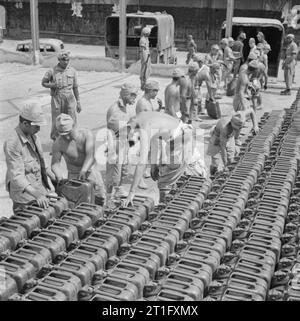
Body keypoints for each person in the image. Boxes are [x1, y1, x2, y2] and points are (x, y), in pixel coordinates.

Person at [123, 112, 208, 206]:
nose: (136, 139)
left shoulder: (143, 127)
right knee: (172, 171)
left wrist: (131, 193)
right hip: (181, 135)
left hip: (181, 140)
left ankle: (167, 208)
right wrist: (153, 165)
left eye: (132, 138)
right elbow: (155, 138)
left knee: (165, 182)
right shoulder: (142, 116)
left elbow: (141, 163)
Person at [3, 102, 54, 213]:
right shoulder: (13, 143)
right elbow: (17, 176)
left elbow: (40, 163)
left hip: (38, 190)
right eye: (36, 126)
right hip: (24, 198)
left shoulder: (33, 136)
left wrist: (54, 178)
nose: (39, 129)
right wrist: (37, 195)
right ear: (25, 123)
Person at [51, 114, 106, 206]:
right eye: (63, 134)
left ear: (74, 126)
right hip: (73, 174)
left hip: (90, 171)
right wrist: (59, 176)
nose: (67, 137)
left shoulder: (86, 134)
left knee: (99, 198)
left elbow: (90, 155)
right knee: (77, 202)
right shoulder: (58, 143)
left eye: (68, 133)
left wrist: (84, 170)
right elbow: (55, 164)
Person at [106, 83, 138, 201]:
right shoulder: (115, 110)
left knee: (123, 170)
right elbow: (118, 131)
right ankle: (108, 198)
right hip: (116, 145)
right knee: (113, 173)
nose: (134, 98)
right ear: (125, 95)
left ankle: (118, 190)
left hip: (123, 144)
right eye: (133, 95)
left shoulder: (124, 107)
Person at [41, 50, 81, 141]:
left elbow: (75, 87)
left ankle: (72, 140)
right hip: (57, 98)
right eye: (63, 60)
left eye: (67, 60)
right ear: (59, 60)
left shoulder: (72, 71)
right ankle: (56, 142)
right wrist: (52, 85)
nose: (66, 62)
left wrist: (78, 102)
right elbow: (43, 83)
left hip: (69, 97)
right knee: (57, 120)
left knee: (71, 118)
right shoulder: (52, 71)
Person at [207, 111, 247, 175]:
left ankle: (229, 175)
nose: (238, 130)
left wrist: (255, 125)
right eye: (236, 128)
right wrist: (225, 164)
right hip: (216, 138)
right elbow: (223, 149)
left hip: (229, 137)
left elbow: (252, 111)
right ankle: (212, 176)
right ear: (231, 123)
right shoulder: (224, 128)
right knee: (215, 164)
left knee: (231, 161)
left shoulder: (240, 116)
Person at [233, 60, 260, 145]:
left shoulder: (245, 71)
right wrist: (244, 106)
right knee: (241, 119)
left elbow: (244, 85)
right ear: (254, 70)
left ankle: (235, 135)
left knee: (242, 118)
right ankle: (236, 139)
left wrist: (250, 84)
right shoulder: (244, 77)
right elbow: (241, 92)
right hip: (240, 99)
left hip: (243, 97)